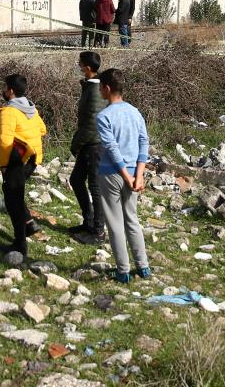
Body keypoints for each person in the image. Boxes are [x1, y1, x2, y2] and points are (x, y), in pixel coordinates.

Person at [95, 68, 152, 283]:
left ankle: (123, 270)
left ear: (107, 89)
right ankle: (143, 266)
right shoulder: (135, 112)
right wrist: (139, 175)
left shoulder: (103, 116)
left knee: (115, 223)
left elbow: (111, 148)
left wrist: (126, 176)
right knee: (132, 219)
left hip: (111, 173)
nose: (99, 90)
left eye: (100, 87)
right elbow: (143, 142)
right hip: (133, 173)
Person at [0, 73, 47, 257]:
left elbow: (5, 142)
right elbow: (42, 129)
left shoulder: (9, 111)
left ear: (10, 91)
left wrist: (4, 165)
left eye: (4, 87)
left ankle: (20, 245)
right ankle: (28, 224)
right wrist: (26, 138)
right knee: (15, 195)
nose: (3, 90)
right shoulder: (30, 108)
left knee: (13, 202)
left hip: (16, 161)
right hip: (32, 159)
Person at [67, 50, 108, 244]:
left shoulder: (95, 90)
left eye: (80, 64)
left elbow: (92, 123)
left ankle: (98, 231)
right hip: (89, 143)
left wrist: (76, 144)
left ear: (88, 68)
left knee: (95, 186)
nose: (79, 66)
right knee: (76, 180)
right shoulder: (91, 86)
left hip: (94, 145)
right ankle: (89, 221)